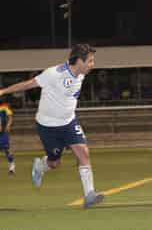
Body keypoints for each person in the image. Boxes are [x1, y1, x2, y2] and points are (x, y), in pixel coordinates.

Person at [0, 44, 104, 207]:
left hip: (69, 122)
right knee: (54, 163)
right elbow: (28, 84)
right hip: (48, 126)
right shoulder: (54, 74)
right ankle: (40, 166)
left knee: (83, 152)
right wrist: (3, 91)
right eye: (90, 61)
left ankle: (89, 195)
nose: (93, 64)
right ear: (79, 61)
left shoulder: (81, 75)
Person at [0, 101, 15, 174]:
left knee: (6, 149)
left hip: (3, 132)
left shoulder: (4, 107)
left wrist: (8, 125)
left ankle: (12, 167)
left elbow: (10, 117)